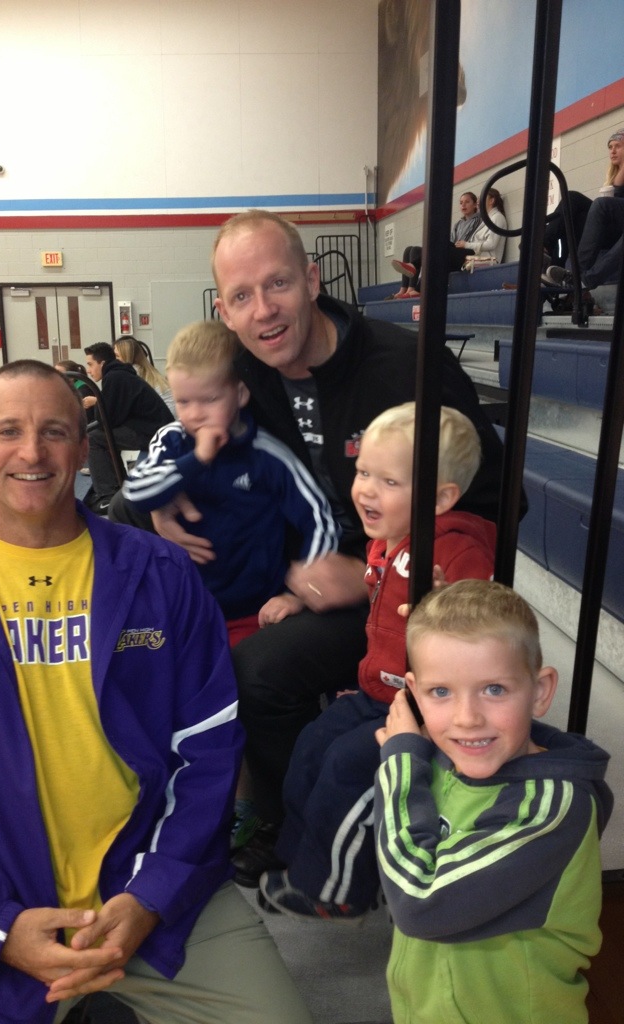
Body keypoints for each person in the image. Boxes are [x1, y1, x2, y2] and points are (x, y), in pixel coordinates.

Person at [0, 360, 315, 1024]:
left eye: (54, 431)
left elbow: (209, 752)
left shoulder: (162, 576)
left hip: (152, 898)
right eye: (8, 431)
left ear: (81, 448)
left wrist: (152, 897)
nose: (32, 452)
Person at [145, 209, 509, 887]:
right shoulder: (245, 379)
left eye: (277, 284)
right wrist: (158, 501)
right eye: (242, 296)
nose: (263, 309)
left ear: (312, 281)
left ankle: (316, 833)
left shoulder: (404, 368)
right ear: (224, 311)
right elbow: (186, 439)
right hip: (308, 576)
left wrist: (385, 565)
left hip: (405, 592)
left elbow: (490, 497)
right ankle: (266, 813)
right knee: (182, 637)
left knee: (259, 673)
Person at [255, 402, 496, 903]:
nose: (365, 489)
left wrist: (450, 599)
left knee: (348, 767)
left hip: (424, 709)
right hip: (378, 691)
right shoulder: (385, 541)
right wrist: (301, 598)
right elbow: (377, 601)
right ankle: (300, 858)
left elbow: (484, 627)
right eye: (364, 472)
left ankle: (336, 893)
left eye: (388, 481)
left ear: (440, 498)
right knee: (312, 747)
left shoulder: (456, 550)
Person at [374, 579, 613, 1024]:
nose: (467, 718)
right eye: (441, 692)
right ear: (415, 693)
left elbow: (418, 902)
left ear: (540, 691)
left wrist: (400, 763)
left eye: (494, 689)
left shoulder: (550, 809)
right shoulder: (444, 763)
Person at [122, 319, 340, 647]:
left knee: (244, 676)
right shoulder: (172, 440)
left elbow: (320, 521)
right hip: (183, 604)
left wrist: (300, 592)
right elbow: (135, 492)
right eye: (183, 402)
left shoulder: (268, 455)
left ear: (239, 394)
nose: (194, 414)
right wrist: (196, 460)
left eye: (209, 400)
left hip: (252, 611)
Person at [83, 341, 172, 514]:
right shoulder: (120, 375)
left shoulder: (114, 378)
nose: (88, 370)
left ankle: (108, 495)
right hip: (152, 430)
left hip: (151, 434)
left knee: (94, 438)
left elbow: (106, 420)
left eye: (90, 364)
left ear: (102, 363)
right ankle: (113, 486)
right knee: (101, 436)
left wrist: (98, 402)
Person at [543, 127, 624, 290]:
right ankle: (544, 247)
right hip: (613, 228)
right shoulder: (613, 175)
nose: (612, 151)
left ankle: (579, 278)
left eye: (618, 146)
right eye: (610, 147)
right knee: (572, 199)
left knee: (600, 204)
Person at [389, 190, 484, 296]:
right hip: (455, 249)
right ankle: (406, 288)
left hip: (467, 251)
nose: (463, 205)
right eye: (461, 202)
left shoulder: (478, 219)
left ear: (475, 204)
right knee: (412, 249)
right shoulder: (458, 223)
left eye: (467, 202)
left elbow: (466, 240)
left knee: (437, 245)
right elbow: (452, 240)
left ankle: (414, 273)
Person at [114, 335, 176, 415]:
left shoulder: (133, 374)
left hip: (164, 418)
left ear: (127, 357)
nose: (114, 360)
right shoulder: (147, 372)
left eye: (117, 356)